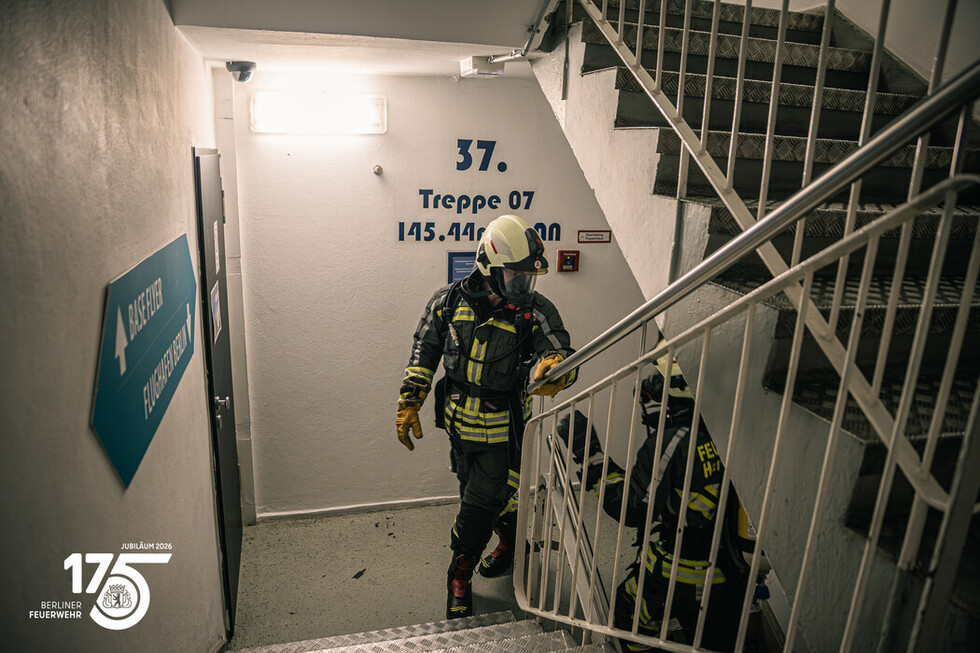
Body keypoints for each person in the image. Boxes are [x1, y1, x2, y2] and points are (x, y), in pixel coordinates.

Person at [396, 214, 578, 619]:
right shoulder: (446, 302)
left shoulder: (534, 311)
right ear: (488, 266)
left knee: (477, 506)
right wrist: (411, 399)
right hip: (459, 428)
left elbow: (561, 351)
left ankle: (459, 574)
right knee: (479, 495)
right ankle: (512, 539)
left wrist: (555, 368)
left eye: (527, 278)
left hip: (504, 433)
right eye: (514, 276)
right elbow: (424, 349)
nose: (523, 286)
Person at [557, 339, 760, 651]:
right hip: (729, 573)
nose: (652, 385)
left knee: (627, 618)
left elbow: (630, 508)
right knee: (712, 639)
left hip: (681, 573)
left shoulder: (672, 442)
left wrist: (589, 453)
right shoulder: (732, 430)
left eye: (659, 377)